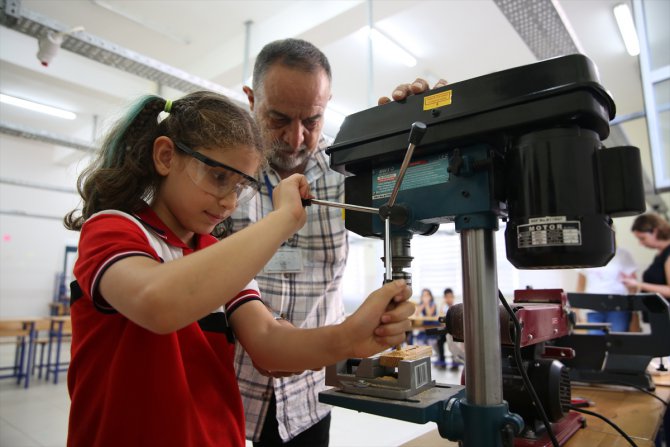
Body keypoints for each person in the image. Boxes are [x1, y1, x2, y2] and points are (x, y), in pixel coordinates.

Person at [62, 91, 415, 447]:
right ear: (166, 156)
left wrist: (350, 337)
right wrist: (285, 218)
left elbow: (268, 345)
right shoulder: (114, 229)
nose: (229, 202)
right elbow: (158, 303)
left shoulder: (216, 253)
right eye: (218, 177)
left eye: (240, 187)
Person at [230, 38, 447, 446]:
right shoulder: (222, 176)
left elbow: (416, 201)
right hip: (229, 397)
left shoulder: (346, 172)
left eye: (312, 120)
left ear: (327, 104)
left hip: (311, 400)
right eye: (278, 119)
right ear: (251, 99)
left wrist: (426, 133)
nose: (296, 138)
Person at [575, 246, 638, 332]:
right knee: (595, 340)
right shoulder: (586, 255)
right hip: (593, 308)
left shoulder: (623, 254)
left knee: (617, 340)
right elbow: (580, 286)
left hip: (618, 307)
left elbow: (633, 286)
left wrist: (633, 309)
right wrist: (575, 310)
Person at [622, 213, 670, 299]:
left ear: (655, 231)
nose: (640, 243)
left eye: (642, 238)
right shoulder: (660, 255)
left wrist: (638, 284)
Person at [435, 288, 455, 368]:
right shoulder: (444, 307)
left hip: (453, 332)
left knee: (454, 343)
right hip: (446, 331)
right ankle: (442, 359)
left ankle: (454, 360)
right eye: (447, 297)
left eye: (450, 297)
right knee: (439, 340)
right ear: (445, 298)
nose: (449, 299)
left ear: (453, 297)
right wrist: (443, 304)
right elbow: (440, 319)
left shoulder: (455, 307)